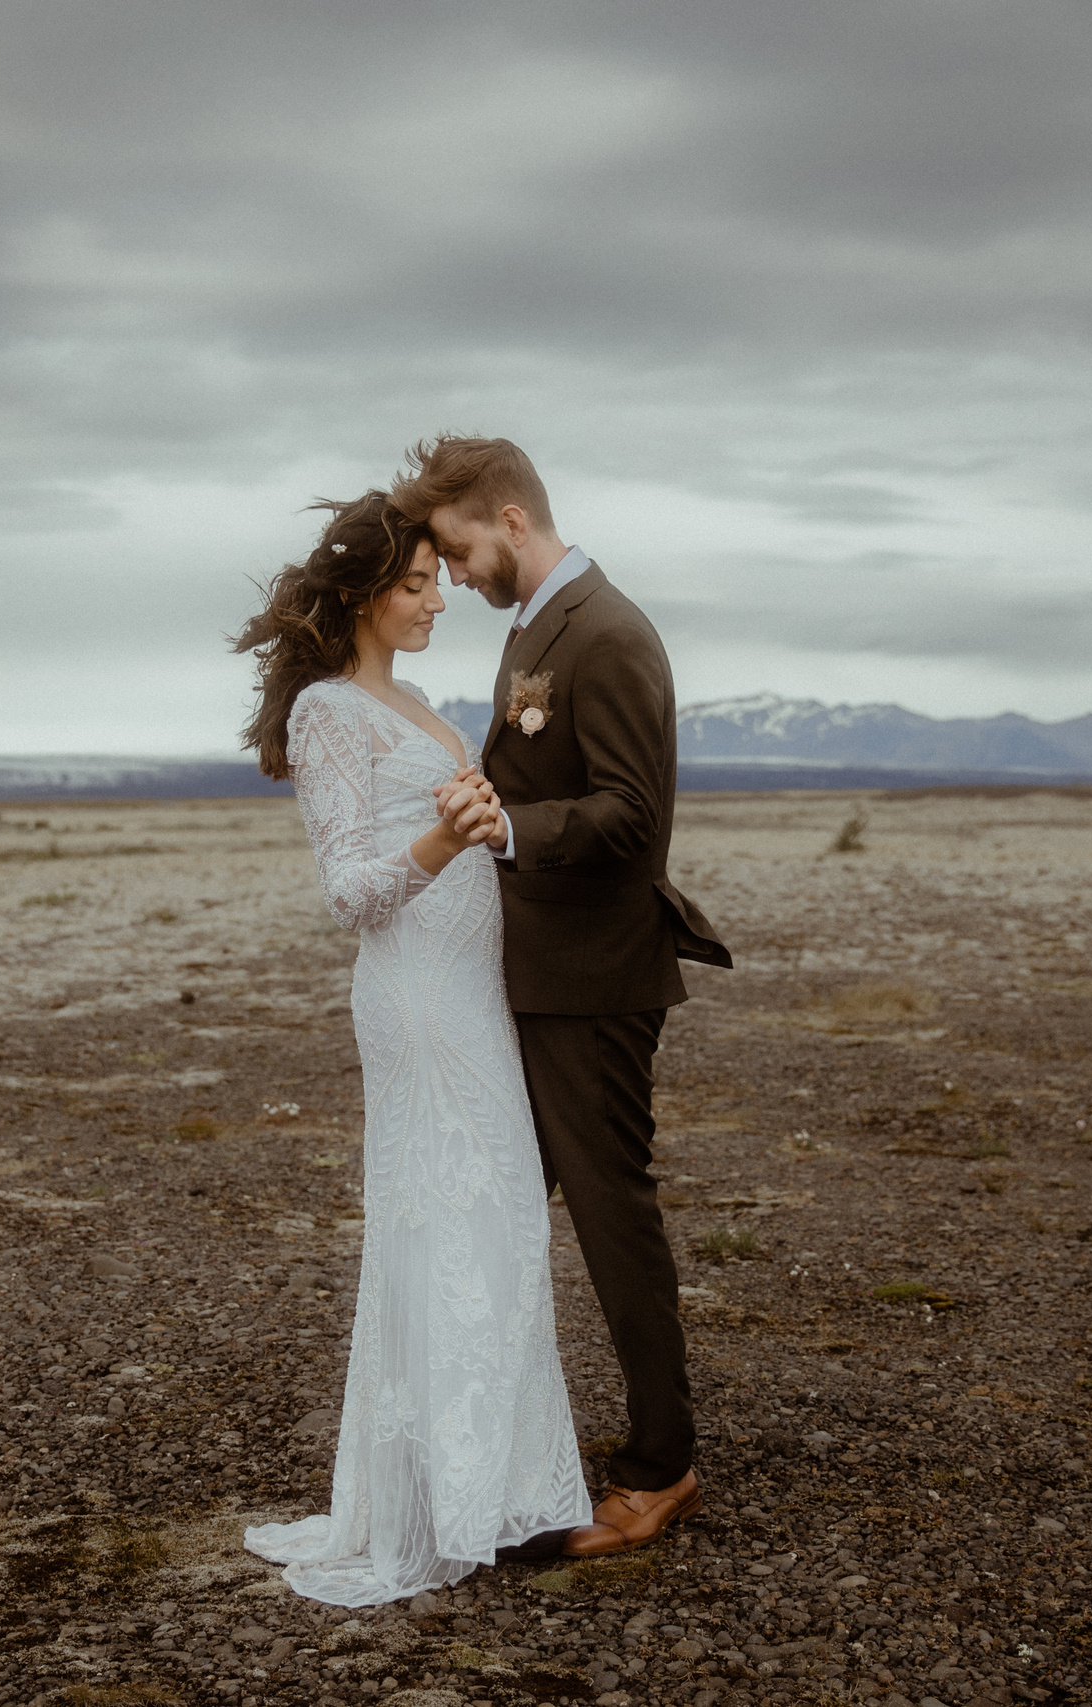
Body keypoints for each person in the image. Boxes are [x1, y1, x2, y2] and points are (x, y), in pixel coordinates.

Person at [234, 490, 594, 1606]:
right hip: (418, 1001)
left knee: (495, 1219)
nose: (438, 596)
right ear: (360, 596)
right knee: (449, 1219)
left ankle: (495, 1482)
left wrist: (484, 818)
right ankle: (444, 1499)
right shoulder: (331, 713)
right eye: (414, 583)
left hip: (472, 994)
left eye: (440, 578)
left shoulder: (421, 702)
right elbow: (350, 892)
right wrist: (448, 834)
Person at [390, 435, 733, 1559]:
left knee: (609, 1214)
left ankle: (661, 1465)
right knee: (498, 1209)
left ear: (511, 520)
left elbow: (634, 818)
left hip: (593, 983)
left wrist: (508, 827)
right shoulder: (538, 631)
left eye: (458, 548)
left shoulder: (612, 633)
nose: (456, 573)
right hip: (534, 979)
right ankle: (498, 1452)